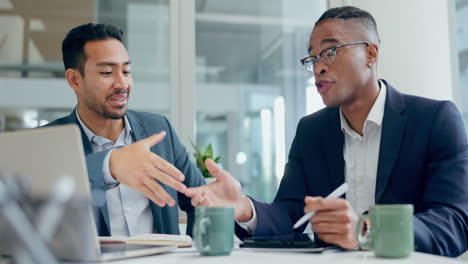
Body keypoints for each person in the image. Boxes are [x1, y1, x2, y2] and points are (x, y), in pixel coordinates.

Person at [185, 6, 468, 257]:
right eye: (312, 58)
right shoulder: (312, 130)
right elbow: (291, 213)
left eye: (330, 51)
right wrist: (245, 207)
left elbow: (454, 222)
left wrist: (367, 230)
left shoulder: (434, 119)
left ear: (371, 53)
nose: (318, 66)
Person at [47, 23, 205, 237]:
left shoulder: (158, 129)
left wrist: (198, 252)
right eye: (107, 72)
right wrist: (108, 166)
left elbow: (201, 200)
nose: (122, 84)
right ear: (75, 79)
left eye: (126, 71)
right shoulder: (50, 142)